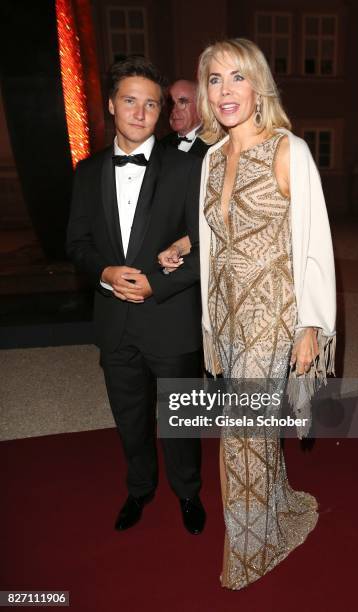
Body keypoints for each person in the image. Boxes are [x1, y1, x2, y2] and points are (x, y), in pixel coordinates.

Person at [158, 38, 336, 589]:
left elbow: (314, 242)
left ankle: (251, 548)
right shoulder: (212, 157)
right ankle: (278, 507)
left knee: (238, 432)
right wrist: (187, 246)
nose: (225, 90)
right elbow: (221, 227)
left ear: (258, 87)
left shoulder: (289, 150)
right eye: (214, 79)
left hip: (273, 313)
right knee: (256, 429)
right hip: (226, 315)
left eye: (237, 77)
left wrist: (312, 323)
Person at [66, 56, 206, 536]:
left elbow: (207, 243)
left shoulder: (189, 168)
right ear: (111, 105)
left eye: (151, 104)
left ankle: (188, 492)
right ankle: (140, 487)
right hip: (114, 322)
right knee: (129, 417)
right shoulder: (87, 171)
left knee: (181, 417)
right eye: (131, 101)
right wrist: (105, 272)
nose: (142, 112)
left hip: (171, 317)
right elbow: (77, 244)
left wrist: (158, 282)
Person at [160, 79, 209, 158]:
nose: (174, 110)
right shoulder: (161, 146)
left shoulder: (216, 146)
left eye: (182, 102)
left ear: (200, 105)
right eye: (171, 103)